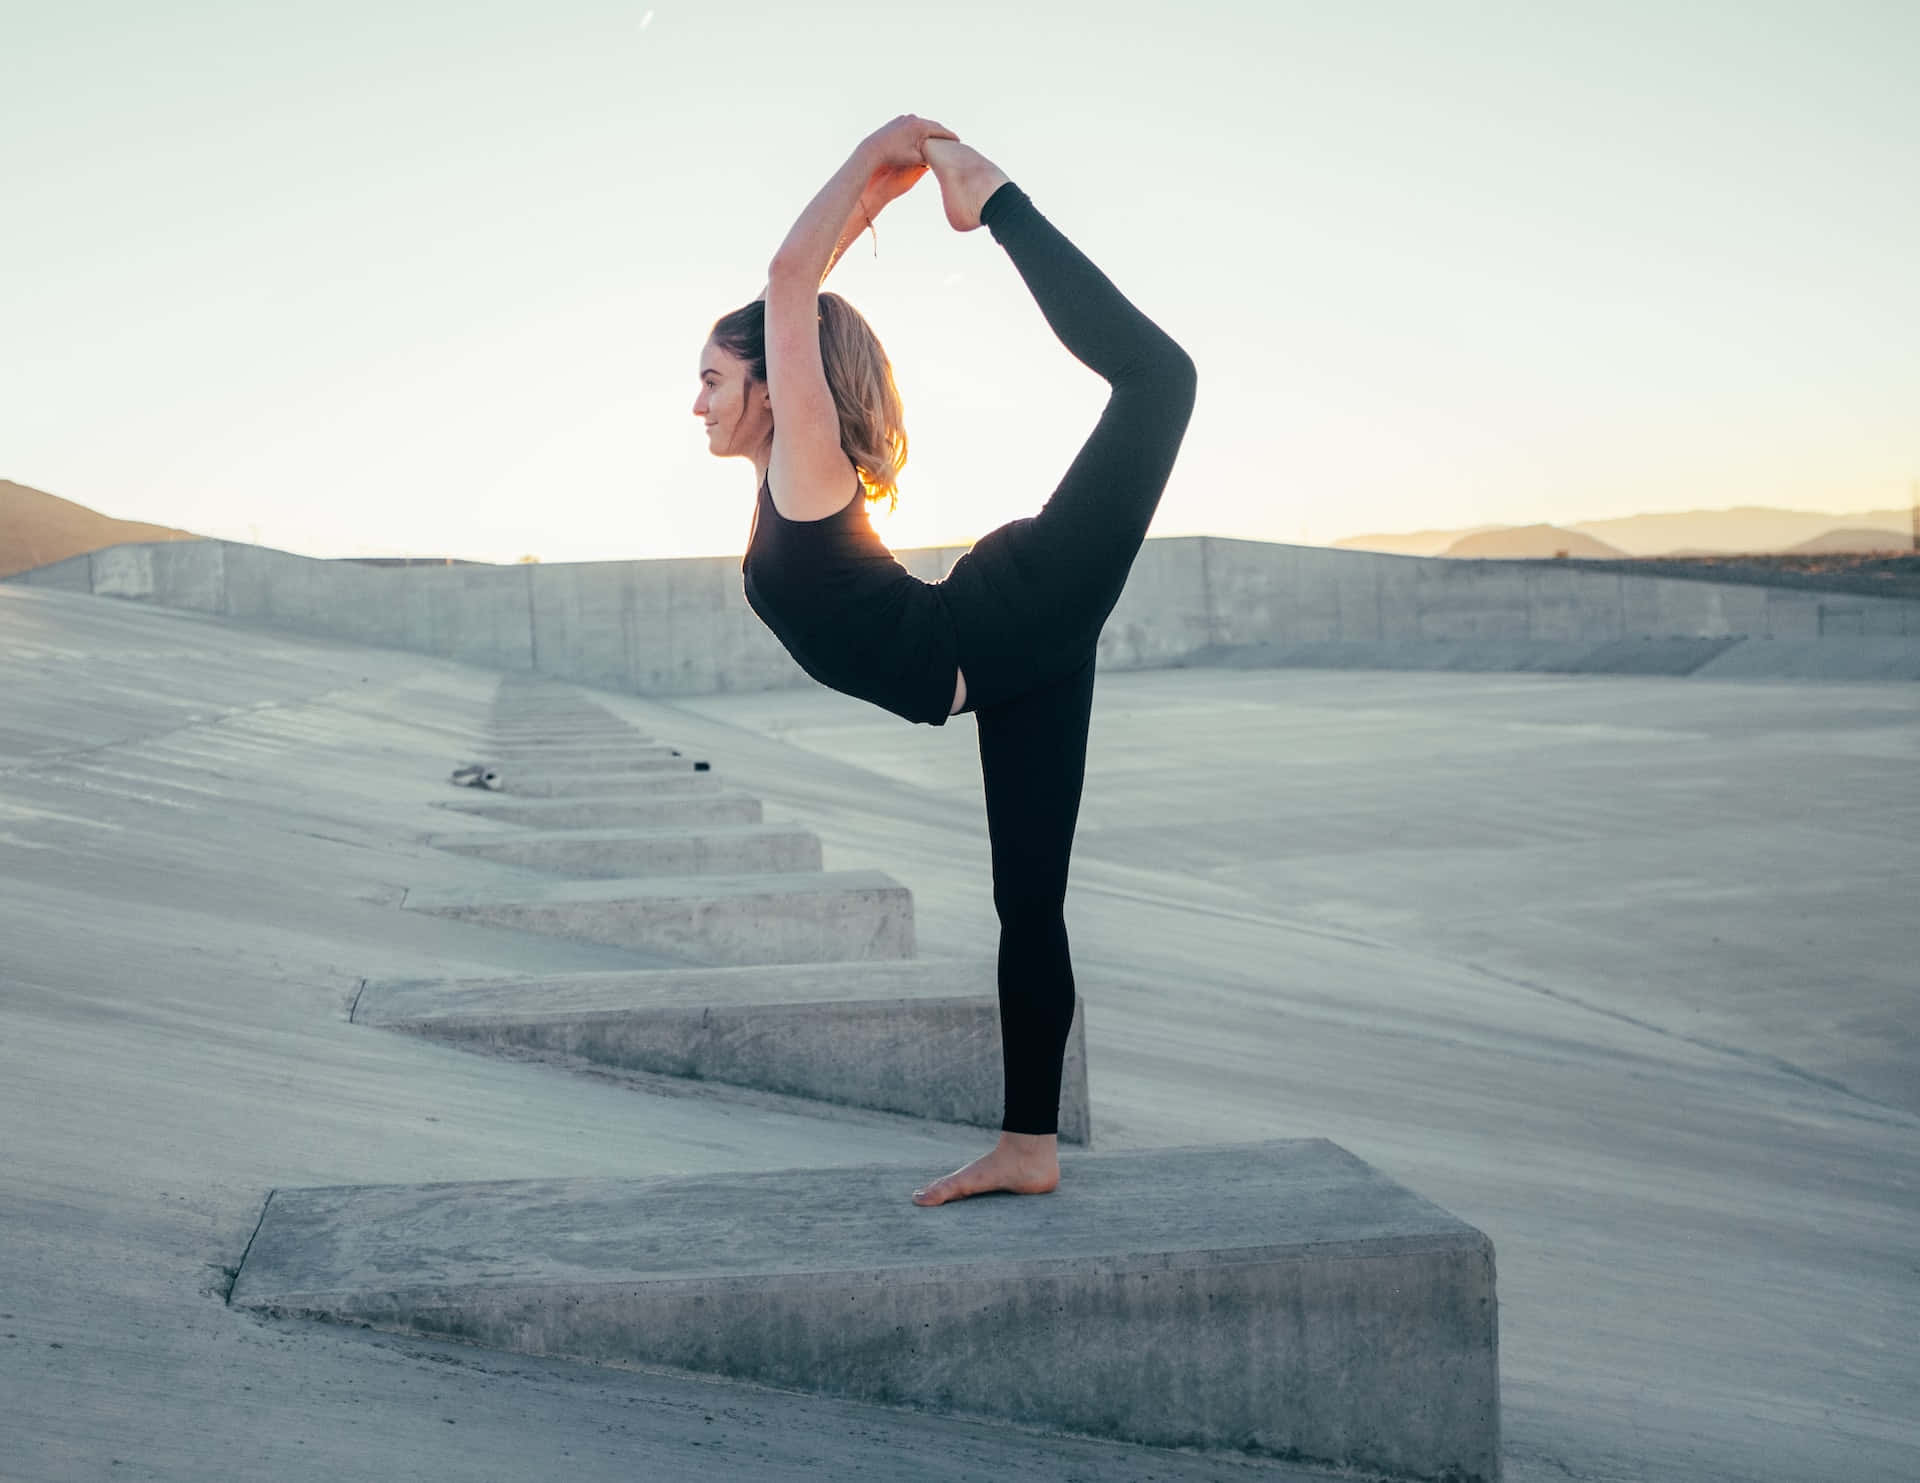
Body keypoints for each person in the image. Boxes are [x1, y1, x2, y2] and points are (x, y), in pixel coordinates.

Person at [693, 116, 1197, 1206]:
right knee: (1031, 904)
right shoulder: (782, 494)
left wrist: (886, 159)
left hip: (1008, 619)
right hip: (1008, 664)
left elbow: (791, 280)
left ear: (774, 387)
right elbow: (799, 297)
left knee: (1162, 381)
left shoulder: (807, 470)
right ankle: (1030, 1145)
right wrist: (877, 195)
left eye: (711, 377)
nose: (696, 399)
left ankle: (997, 201)